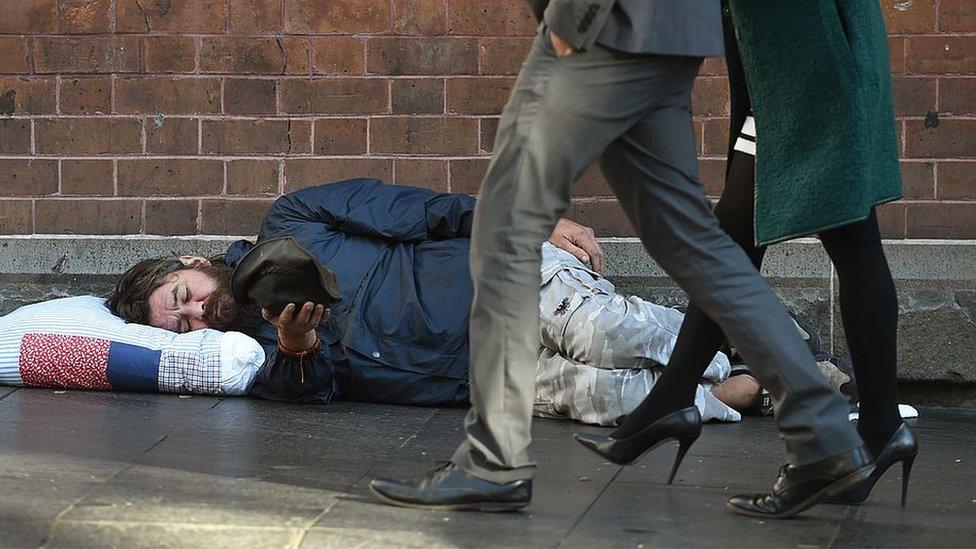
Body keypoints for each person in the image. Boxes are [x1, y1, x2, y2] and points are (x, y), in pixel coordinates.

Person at [368, 0, 871, 518]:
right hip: (664, 29)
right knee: (695, 243)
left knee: (505, 230)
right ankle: (824, 435)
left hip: (605, 27)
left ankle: (491, 462)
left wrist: (572, 23)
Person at [597, 0, 918, 512]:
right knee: (808, 242)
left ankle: (678, 402)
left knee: (815, 243)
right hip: (804, 64)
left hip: (811, 66)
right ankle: (878, 430)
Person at [107, 178, 760, 424]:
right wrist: (298, 349)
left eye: (184, 296)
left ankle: (763, 342)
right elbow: (308, 392)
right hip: (476, 375)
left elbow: (424, 211)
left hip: (499, 280)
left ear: (193, 263)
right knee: (599, 398)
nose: (198, 314)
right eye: (184, 322)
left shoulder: (293, 219)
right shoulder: (254, 355)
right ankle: (729, 393)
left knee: (608, 335)